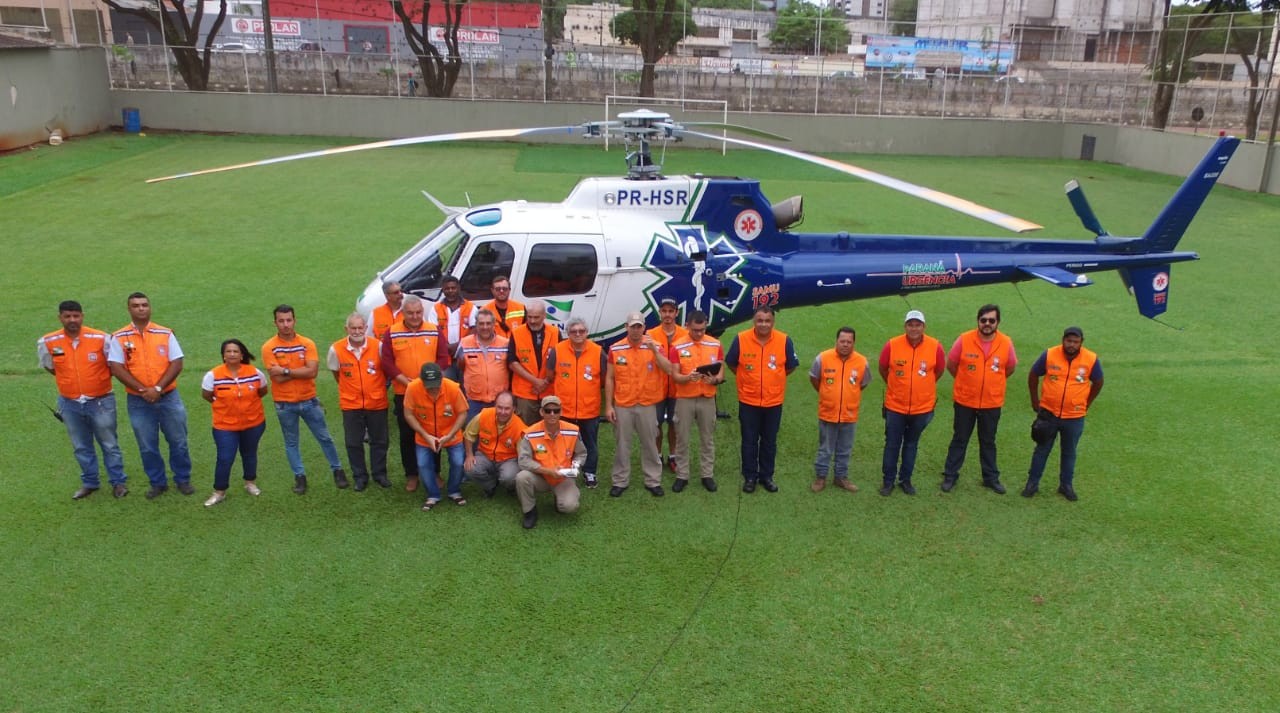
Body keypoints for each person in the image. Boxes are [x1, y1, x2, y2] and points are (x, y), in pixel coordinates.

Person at [39, 300, 129, 499]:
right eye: (67, 316)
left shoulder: (102, 339)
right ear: (60, 318)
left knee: (109, 444)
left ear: (82, 316)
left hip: (101, 402)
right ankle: (90, 483)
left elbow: (114, 366)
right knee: (81, 446)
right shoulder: (48, 342)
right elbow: (50, 366)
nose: (72, 320)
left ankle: (118, 482)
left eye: (76, 316)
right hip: (69, 403)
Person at [108, 292, 194, 499]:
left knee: (178, 441)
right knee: (147, 446)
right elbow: (116, 367)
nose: (141, 308)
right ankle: (157, 483)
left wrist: (157, 388)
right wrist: (143, 390)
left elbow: (177, 363)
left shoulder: (165, 333)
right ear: (129, 309)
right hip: (138, 401)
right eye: (136, 305)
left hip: (169, 397)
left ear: (150, 308)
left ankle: (182, 479)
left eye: (144, 305)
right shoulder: (119, 337)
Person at [262, 304, 348, 494]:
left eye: (289, 320)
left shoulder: (307, 343)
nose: (286, 324)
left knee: (325, 437)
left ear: (295, 320)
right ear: (275, 323)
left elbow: (312, 372)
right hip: (284, 404)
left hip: (309, 400)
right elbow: (276, 378)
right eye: (281, 321)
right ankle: (299, 477)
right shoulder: (269, 347)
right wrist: (300, 371)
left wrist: (285, 371)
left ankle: (338, 470)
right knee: (291, 442)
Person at [941, 304, 1017, 494]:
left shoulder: (1006, 342)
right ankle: (950, 475)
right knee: (960, 439)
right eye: (983, 320)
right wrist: (967, 382)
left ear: (998, 322)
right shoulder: (964, 339)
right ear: (978, 321)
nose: (987, 324)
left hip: (991, 403)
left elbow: (1009, 368)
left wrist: (992, 384)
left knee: (988, 441)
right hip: (965, 401)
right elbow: (951, 364)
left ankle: (990, 478)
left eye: (991, 320)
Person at [1023, 326, 1103, 501]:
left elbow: (1098, 382)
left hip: (1074, 417)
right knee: (1042, 449)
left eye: (1075, 342)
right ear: (1063, 340)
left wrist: (1086, 404)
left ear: (1081, 342)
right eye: (1068, 341)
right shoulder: (1050, 354)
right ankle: (1032, 483)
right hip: (1049, 413)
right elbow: (1033, 374)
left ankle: (1066, 485)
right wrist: (1035, 401)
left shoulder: (1091, 359)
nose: (1071, 345)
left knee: (1069, 452)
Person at [725, 306, 798, 493]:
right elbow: (732, 363)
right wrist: (747, 380)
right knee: (749, 441)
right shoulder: (741, 339)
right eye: (760, 320)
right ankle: (750, 477)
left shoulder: (784, 340)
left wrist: (774, 380)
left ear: (773, 322)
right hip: (748, 401)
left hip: (773, 402)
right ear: (754, 321)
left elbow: (790, 366)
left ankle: (766, 476)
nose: (763, 324)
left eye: (767, 321)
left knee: (769, 441)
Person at [382, 294, 450, 492]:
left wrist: (427, 380)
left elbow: (443, 358)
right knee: (407, 435)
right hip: (404, 392)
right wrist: (407, 382)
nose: (415, 316)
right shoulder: (392, 333)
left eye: (418, 312)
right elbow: (387, 362)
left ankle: (435, 472)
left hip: (430, 392)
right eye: (410, 313)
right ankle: (412, 474)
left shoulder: (434, 330)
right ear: (403, 312)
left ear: (423, 312)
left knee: (433, 431)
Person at [878, 309, 945, 496]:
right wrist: (897, 386)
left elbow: (939, 371)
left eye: (918, 325)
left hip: (922, 408)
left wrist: (922, 387)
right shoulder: (892, 345)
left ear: (924, 327)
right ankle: (888, 481)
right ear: (905, 326)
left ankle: (905, 480)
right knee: (892, 444)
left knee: (911, 444)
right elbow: (883, 368)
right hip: (895, 407)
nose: (914, 328)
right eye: (910, 325)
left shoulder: (935, 346)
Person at [605, 311, 672, 497]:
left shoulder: (655, 346)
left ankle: (653, 480)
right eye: (632, 326)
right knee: (622, 444)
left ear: (644, 328)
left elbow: (668, 369)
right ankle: (620, 480)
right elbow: (609, 378)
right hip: (623, 404)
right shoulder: (615, 349)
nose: (635, 330)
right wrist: (608, 406)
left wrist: (654, 351)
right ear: (626, 327)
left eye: (639, 326)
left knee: (650, 443)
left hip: (647, 403)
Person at [200, 339, 269, 507]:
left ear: (242, 355)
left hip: (253, 423)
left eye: (235, 351)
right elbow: (207, 395)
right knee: (225, 458)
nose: (232, 354)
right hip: (225, 426)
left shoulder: (255, 373)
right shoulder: (213, 375)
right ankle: (219, 492)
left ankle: (250, 482)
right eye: (228, 351)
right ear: (223, 355)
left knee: (249, 453)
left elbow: (262, 391)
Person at [328, 312, 391, 492]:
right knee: (353, 443)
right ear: (346, 329)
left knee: (380, 441)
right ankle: (360, 477)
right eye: (353, 328)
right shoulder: (336, 349)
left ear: (366, 328)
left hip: (377, 402)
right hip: (351, 404)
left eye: (360, 328)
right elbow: (337, 374)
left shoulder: (378, 346)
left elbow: (386, 370)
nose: (357, 331)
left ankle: (379, 474)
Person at [809, 326, 871, 493]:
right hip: (828, 412)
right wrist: (827, 394)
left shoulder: (862, 362)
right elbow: (814, 378)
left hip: (849, 414)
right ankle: (821, 477)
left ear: (854, 343)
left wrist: (848, 396)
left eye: (849, 342)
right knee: (825, 448)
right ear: (836, 341)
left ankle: (840, 477)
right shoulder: (822, 358)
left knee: (845, 449)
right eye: (842, 341)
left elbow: (862, 384)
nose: (845, 344)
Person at [669, 310, 723, 493]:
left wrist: (715, 380)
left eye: (702, 330)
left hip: (707, 398)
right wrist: (687, 378)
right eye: (695, 330)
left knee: (707, 439)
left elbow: (721, 371)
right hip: (685, 399)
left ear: (706, 325)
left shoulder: (715, 344)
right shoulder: (677, 346)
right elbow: (675, 375)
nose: (699, 334)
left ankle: (707, 475)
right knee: (682, 439)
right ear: (687, 326)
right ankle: (682, 475)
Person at [546, 317, 605, 489]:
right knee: (564, 443)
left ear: (587, 332)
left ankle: (590, 472)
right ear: (568, 333)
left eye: (581, 331)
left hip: (589, 408)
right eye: (573, 331)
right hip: (564, 409)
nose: (578, 334)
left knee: (590, 443)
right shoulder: (557, 350)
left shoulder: (598, 351)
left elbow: (604, 378)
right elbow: (550, 375)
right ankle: (565, 471)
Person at [403, 362, 469, 511]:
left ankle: (454, 491)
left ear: (442, 378)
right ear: (421, 380)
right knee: (422, 464)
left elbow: (463, 413)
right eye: (429, 386)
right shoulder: (412, 388)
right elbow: (408, 414)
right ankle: (433, 494)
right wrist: (425, 435)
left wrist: (450, 435)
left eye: (436, 385)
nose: (433, 389)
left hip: (451, 434)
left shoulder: (453, 388)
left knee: (458, 462)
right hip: (424, 435)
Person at [515, 395, 585, 529]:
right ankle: (529, 511)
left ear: (561, 412)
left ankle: (560, 500)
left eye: (556, 410)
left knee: (569, 506)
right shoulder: (530, 433)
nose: (552, 414)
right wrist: (547, 471)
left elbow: (581, 454)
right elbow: (523, 461)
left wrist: (575, 467)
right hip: (540, 477)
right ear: (541, 412)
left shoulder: (573, 431)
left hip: (563, 478)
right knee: (522, 477)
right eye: (548, 411)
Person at [649, 297, 689, 473]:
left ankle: (673, 455)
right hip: (656, 388)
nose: (667, 315)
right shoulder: (650, 334)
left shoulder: (685, 334)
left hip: (678, 388)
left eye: (671, 311)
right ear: (659, 313)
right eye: (664, 311)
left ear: (676, 313)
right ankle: (657, 455)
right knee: (656, 424)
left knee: (674, 424)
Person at [462, 391, 525, 497]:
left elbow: (523, 455)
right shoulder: (484, 415)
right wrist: (469, 455)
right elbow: (468, 434)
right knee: (470, 468)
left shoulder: (520, 427)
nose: (502, 412)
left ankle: (510, 487)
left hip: (508, 460)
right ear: (495, 405)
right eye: (499, 407)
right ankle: (490, 485)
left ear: (514, 408)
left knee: (508, 477)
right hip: (485, 455)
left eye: (507, 408)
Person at [508, 299, 560, 425]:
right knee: (525, 428)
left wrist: (545, 382)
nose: (532, 321)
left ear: (544, 316)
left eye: (536, 317)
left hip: (549, 390)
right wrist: (535, 382)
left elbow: (560, 359)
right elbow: (512, 362)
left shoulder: (555, 332)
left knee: (549, 427)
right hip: (525, 392)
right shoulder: (516, 333)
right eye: (529, 317)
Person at [455, 308, 510, 420]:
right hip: (473, 401)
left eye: (488, 323)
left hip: (498, 401)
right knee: (472, 430)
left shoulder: (505, 344)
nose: (485, 327)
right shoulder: (465, 343)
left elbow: (511, 368)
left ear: (494, 324)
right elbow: (460, 367)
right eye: (481, 323)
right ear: (476, 325)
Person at [433, 275, 476, 375]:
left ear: (459, 288)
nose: (450, 291)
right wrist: (446, 347)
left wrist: (458, 346)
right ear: (443, 290)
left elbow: (474, 330)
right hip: (444, 356)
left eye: (453, 288)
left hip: (465, 356)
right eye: (447, 288)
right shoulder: (435, 308)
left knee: (466, 383)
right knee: (446, 383)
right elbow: (434, 331)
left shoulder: (470, 307)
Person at [486, 275, 525, 339]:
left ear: (509, 290)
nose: (501, 291)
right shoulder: (484, 310)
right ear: (492, 290)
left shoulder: (521, 308)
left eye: (505, 289)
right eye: (498, 289)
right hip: (495, 345)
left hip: (516, 344)